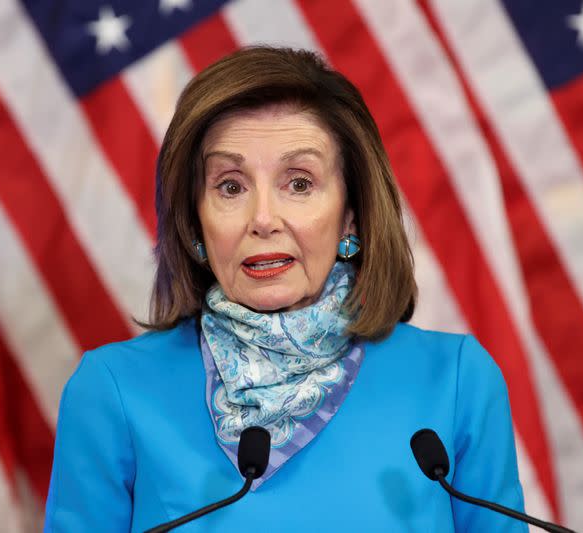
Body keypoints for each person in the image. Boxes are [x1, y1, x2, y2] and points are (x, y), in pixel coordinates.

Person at [43, 47, 527, 532]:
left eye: (298, 183)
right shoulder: (113, 391)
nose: (263, 219)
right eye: (230, 187)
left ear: (351, 216)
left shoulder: (457, 382)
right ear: (194, 220)